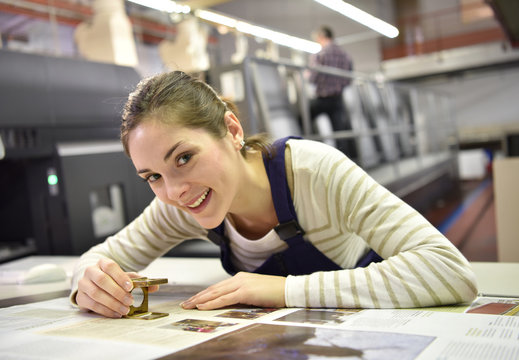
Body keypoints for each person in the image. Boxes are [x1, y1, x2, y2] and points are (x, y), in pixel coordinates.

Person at [71, 71, 478, 318]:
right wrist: (88, 282)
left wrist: (282, 292)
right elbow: (98, 259)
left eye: (184, 158)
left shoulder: (314, 172)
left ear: (232, 131)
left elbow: (449, 271)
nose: (174, 191)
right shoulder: (177, 205)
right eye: (151, 176)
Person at [309, 25, 357, 159]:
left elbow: (312, 78)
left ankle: (313, 153)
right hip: (338, 98)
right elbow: (349, 78)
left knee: (303, 118)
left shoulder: (320, 55)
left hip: (323, 99)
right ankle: (346, 161)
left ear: (322, 36)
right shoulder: (344, 55)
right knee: (340, 132)